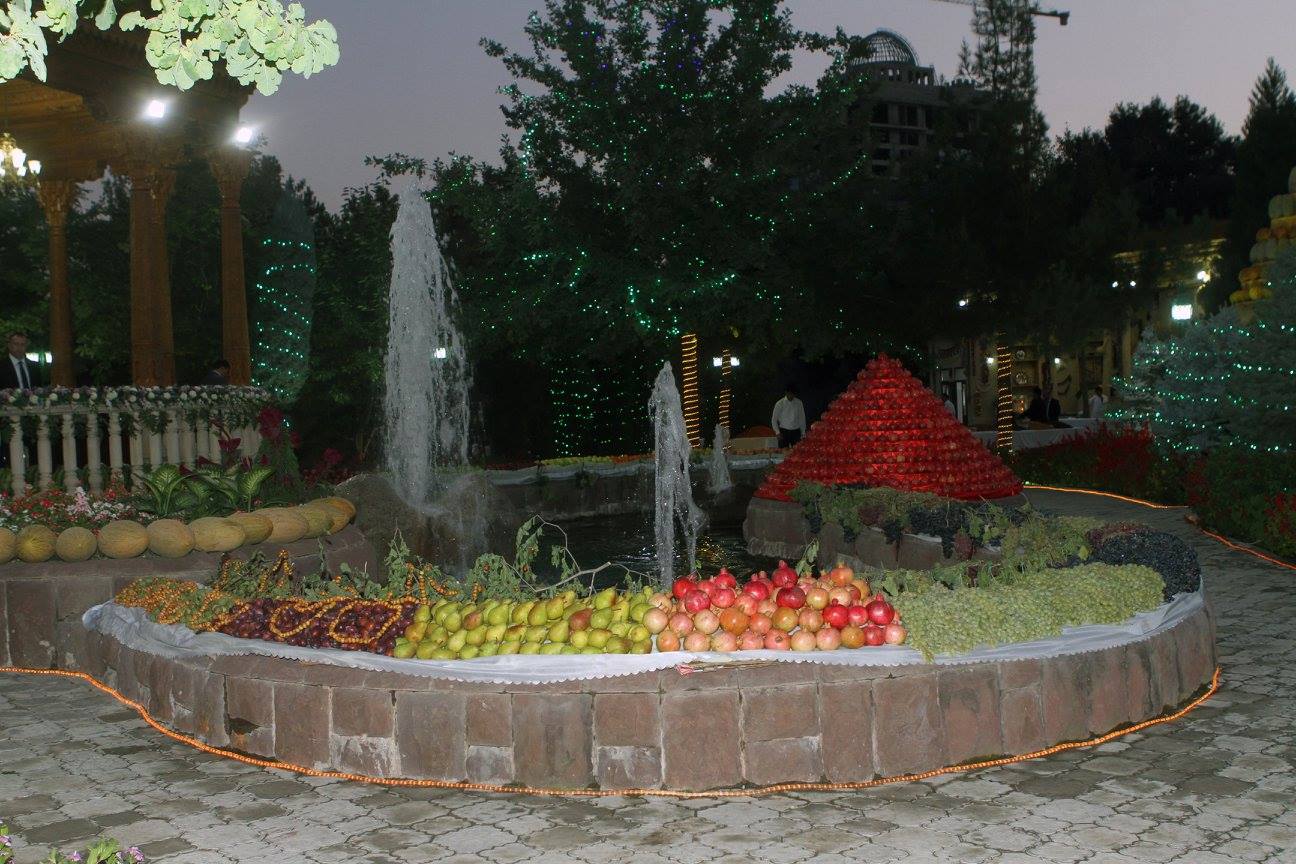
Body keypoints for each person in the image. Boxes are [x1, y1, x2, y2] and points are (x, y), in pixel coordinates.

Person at [771, 384, 806, 448]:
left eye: (793, 394)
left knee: (797, 452)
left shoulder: (799, 403)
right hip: (783, 432)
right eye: (789, 393)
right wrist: (777, 432)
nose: (791, 396)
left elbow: (802, 419)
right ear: (786, 393)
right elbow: (774, 420)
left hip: (796, 432)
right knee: (783, 452)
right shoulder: (779, 403)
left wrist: (803, 433)